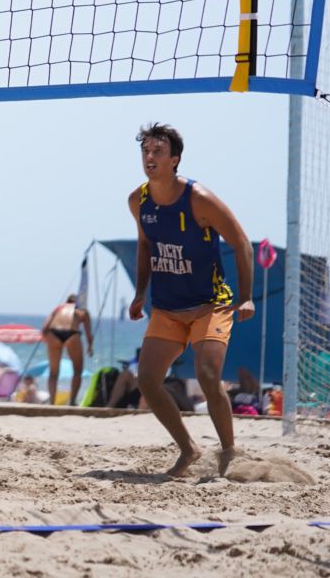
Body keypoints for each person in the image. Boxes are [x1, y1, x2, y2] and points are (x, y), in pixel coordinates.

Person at [126, 122, 254, 477]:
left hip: (209, 304)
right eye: (145, 151)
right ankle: (189, 449)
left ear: (174, 159)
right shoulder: (138, 200)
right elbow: (145, 245)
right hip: (167, 307)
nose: (150, 158)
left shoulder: (199, 199)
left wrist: (246, 298)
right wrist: (140, 292)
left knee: (209, 375)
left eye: (158, 152)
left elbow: (241, 243)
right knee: (148, 379)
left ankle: (229, 451)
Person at [41, 293, 94, 405]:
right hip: (72, 333)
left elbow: (45, 328)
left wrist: (49, 341)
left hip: (53, 332)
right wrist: (90, 347)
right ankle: (73, 401)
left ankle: (52, 402)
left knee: (53, 372)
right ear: (78, 304)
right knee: (78, 370)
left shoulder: (57, 310)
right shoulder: (82, 312)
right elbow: (89, 334)